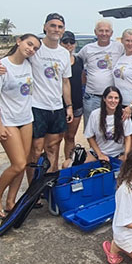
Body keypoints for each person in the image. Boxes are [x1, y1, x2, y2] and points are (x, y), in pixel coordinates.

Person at [0, 13, 73, 173]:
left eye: (60, 27)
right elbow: (13, 60)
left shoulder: (64, 53)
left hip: (56, 107)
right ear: (45, 27)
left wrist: (68, 106)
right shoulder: (35, 48)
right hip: (36, 106)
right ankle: (33, 189)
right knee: (35, 149)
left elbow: (65, 82)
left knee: (53, 148)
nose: (56, 29)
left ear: (63, 30)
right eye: (52, 26)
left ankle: (49, 186)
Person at [0, 34, 40, 217]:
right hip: (8, 120)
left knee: (23, 163)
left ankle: (11, 201)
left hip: (26, 118)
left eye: (35, 48)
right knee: (18, 164)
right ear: (19, 41)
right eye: (29, 44)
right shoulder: (2, 66)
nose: (31, 49)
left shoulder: (29, 65)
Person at [76, 19, 132, 128]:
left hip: (112, 99)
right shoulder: (87, 49)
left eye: (107, 31)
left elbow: (131, 48)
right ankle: (92, 146)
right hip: (92, 97)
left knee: (110, 129)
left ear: (111, 33)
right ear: (95, 32)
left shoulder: (118, 47)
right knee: (91, 128)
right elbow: (76, 66)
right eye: (101, 31)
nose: (104, 34)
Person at [84, 86, 132, 162]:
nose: (113, 101)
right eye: (110, 97)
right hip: (98, 152)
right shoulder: (95, 114)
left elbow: (128, 137)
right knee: (78, 166)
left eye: (116, 98)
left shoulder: (124, 114)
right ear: (104, 99)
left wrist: (126, 155)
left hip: (118, 154)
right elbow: (90, 137)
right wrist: (100, 154)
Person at [59, 31, 84, 166]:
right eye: (65, 42)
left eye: (71, 42)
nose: (68, 45)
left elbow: (83, 78)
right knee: (55, 140)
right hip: (59, 105)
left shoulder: (79, 60)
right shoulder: (56, 61)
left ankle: (68, 165)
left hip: (77, 104)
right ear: (60, 43)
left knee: (70, 137)